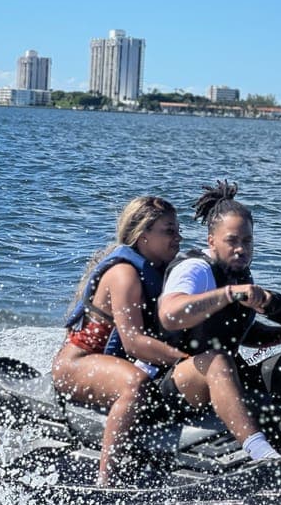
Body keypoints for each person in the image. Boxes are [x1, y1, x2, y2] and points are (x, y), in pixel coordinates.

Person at [158, 180, 281, 461]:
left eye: (247, 241)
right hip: (173, 383)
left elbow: (227, 329)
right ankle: (261, 454)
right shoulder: (195, 269)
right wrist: (229, 294)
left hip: (215, 376)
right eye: (232, 241)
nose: (241, 249)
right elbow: (170, 314)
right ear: (211, 240)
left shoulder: (238, 273)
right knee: (219, 361)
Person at [52, 196, 190, 486]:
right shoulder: (124, 273)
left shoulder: (163, 270)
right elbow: (133, 343)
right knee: (135, 385)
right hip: (78, 363)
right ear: (143, 236)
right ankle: (107, 480)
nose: (178, 237)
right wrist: (182, 358)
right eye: (169, 231)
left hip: (112, 363)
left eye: (178, 230)